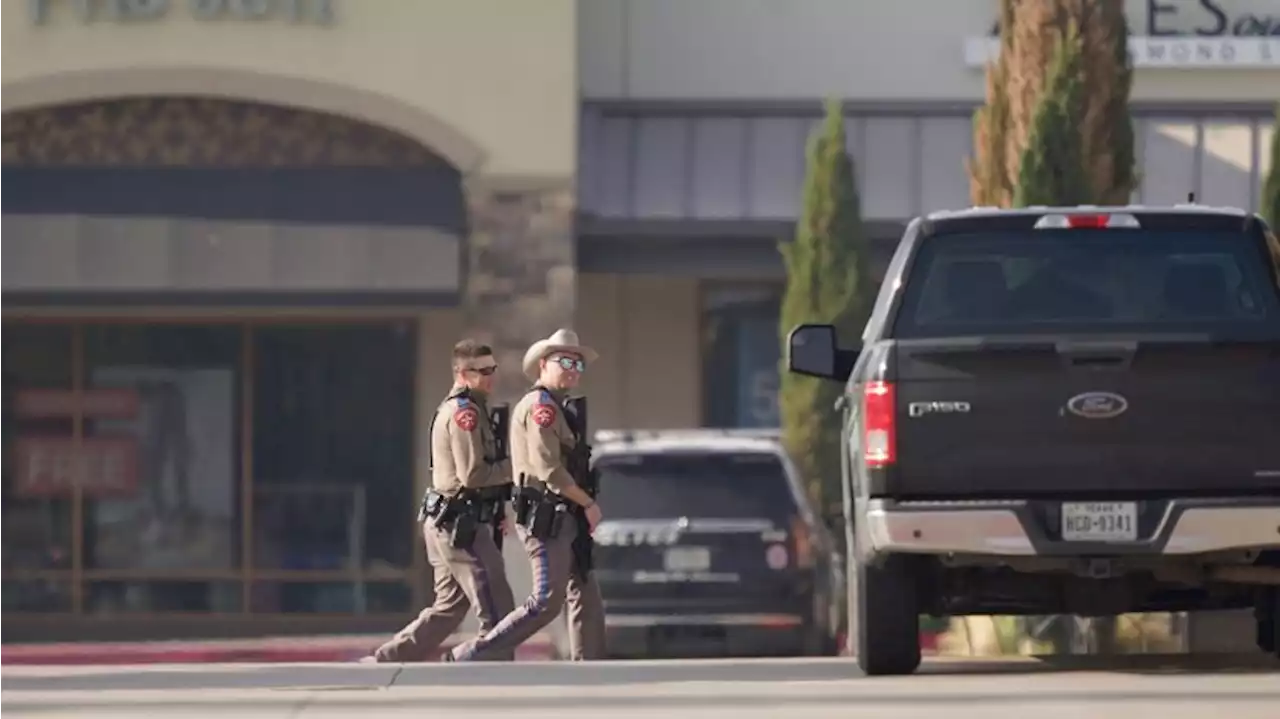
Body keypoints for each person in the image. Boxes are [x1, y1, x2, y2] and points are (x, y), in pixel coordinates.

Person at [446, 329, 606, 662]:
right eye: (565, 361)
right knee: (545, 602)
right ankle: (472, 653)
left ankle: (589, 667)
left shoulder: (559, 407)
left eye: (578, 363)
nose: (573, 368)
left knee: (586, 595)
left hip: (565, 513)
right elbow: (548, 469)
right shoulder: (541, 407)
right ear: (544, 364)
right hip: (546, 516)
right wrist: (587, 503)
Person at [364, 339, 516, 662]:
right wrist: (517, 466)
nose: (491, 376)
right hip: (460, 525)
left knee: (448, 608)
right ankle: (476, 664)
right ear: (462, 373)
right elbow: (473, 475)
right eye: (482, 371)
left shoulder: (471, 408)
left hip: (448, 521)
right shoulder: (466, 414)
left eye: (493, 369)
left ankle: (387, 658)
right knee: (498, 609)